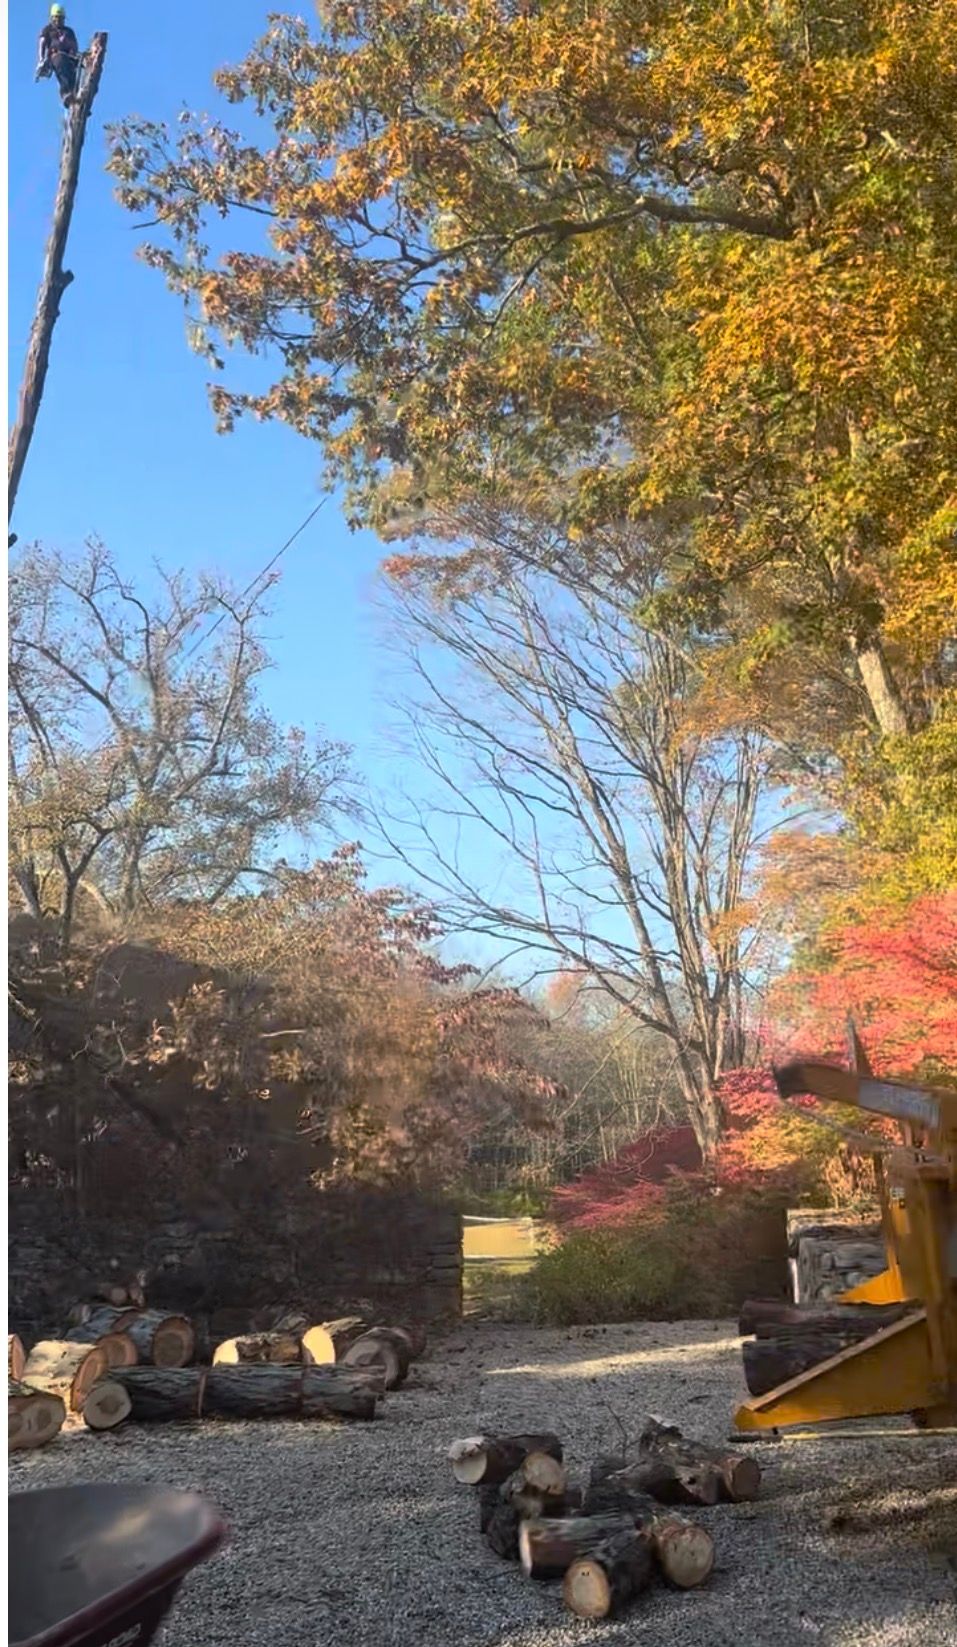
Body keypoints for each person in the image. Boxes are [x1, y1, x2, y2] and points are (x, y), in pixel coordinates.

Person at [36, 5, 80, 107]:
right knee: (62, 68)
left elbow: (74, 45)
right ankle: (66, 94)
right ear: (52, 18)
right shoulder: (47, 30)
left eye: (61, 18)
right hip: (56, 56)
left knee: (75, 77)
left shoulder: (69, 31)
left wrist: (74, 54)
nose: (58, 20)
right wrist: (41, 59)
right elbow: (42, 43)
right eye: (56, 17)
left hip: (70, 57)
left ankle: (79, 101)